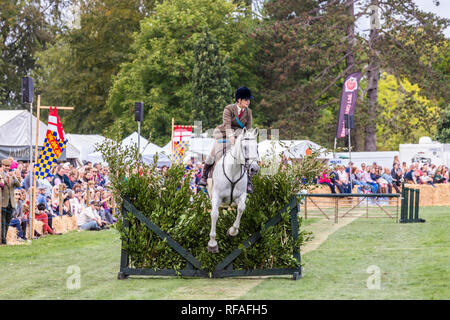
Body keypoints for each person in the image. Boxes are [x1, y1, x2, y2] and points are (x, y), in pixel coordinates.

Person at [198, 86, 255, 193]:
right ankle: (204, 176)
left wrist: (248, 139)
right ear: (239, 100)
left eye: (249, 100)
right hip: (224, 133)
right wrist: (231, 138)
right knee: (214, 152)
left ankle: (249, 182)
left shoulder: (249, 112)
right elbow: (227, 125)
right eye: (246, 99)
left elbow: (248, 128)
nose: (248, 102)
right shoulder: (228, 109)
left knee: (248, 155)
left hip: (239, 135)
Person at [1, 159, 23, 244]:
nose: (7, 168)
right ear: (2, 166)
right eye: (5, 166)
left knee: (7, 222)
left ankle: (4, 237)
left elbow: (18, 185)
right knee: (2, 222)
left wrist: (14, 176)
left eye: (8, 166)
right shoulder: (1, 175)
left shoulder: (11, 176)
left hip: (11, 202)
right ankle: (3, 240)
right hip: (3, 202)